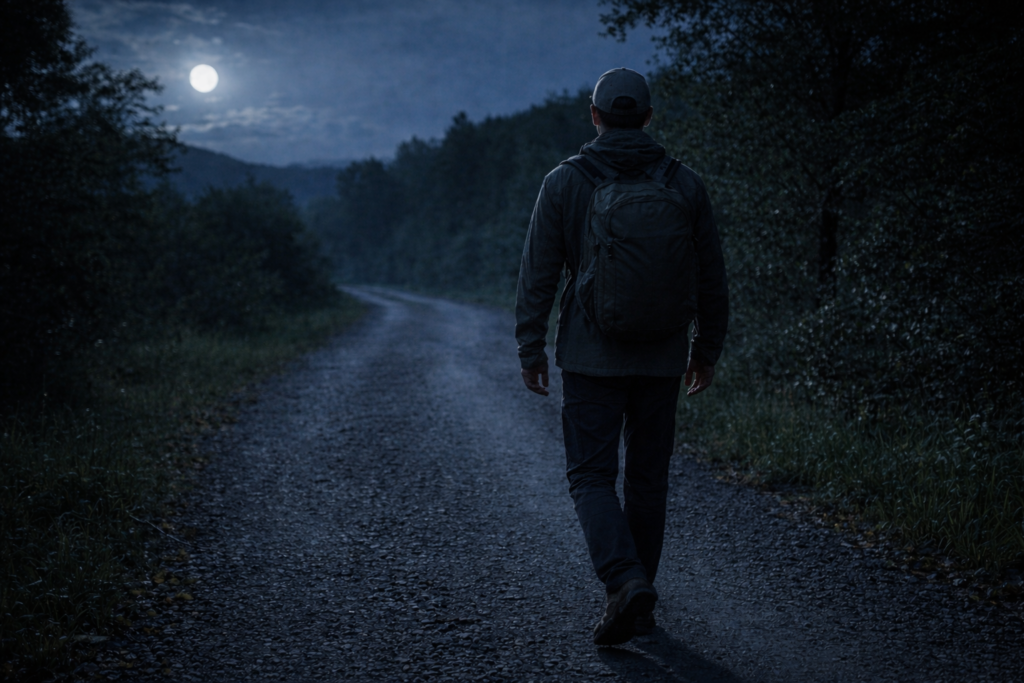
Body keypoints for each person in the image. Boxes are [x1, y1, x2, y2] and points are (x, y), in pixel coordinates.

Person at [515, 67, 729, 646]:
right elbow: (711, 277)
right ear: (650, 118)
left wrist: (529, 346)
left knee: (590, 476)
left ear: (595, 116)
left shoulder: (564, 182)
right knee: (647, 480)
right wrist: (705, 350)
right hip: (662, 357)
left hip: (591, 357)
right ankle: (639, 601)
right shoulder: (684, 184)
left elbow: (537, 273)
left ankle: (624, 580)